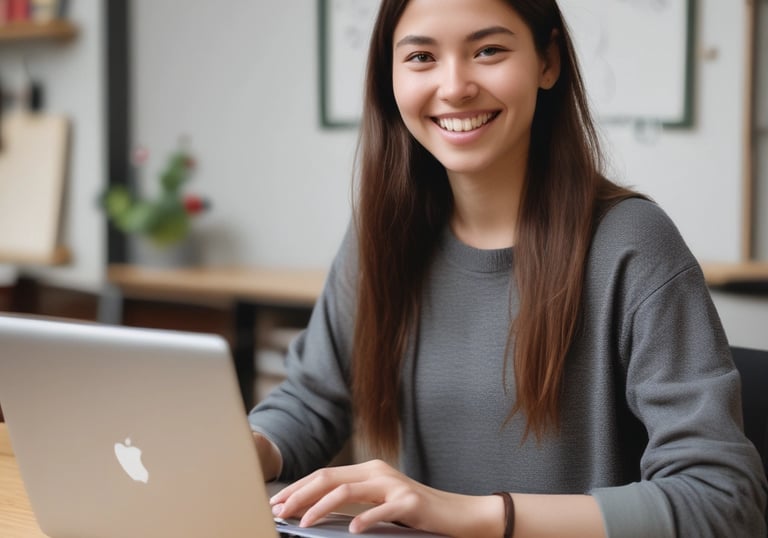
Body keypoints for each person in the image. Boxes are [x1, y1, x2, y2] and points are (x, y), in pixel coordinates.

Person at [248, 0, 768, 536]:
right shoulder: (381, 237)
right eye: (422, 57)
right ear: (391, 76)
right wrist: (244, 448)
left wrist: (468, 513)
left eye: (488, 50)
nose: (454, 87)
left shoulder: (632, 245)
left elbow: (722, 503)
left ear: (548, 62)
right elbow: (311, 402)